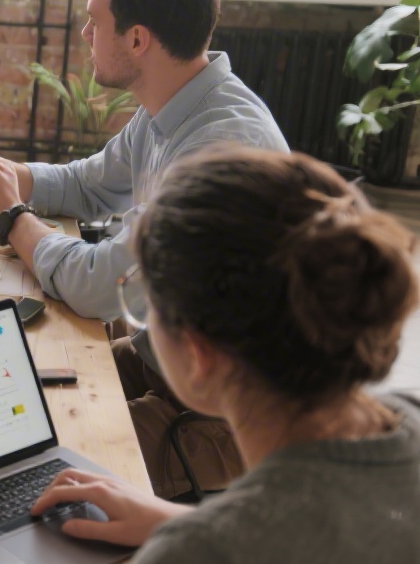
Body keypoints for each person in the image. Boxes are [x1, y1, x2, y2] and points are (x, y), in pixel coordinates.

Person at [28, 146, 420, 562]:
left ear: (200, 356)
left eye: (145, 298)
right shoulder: (406, 412)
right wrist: (178, 523)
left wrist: (193, 537)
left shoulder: (200, 551)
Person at [0, 0, 288, 320]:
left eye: (95, 22)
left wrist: (11, 217)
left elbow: (102, 286)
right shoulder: (172, 104)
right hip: (164, 356)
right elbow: (86, 185)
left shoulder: (221, 154)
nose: (85, 34)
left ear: (136, 40)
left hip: (205, 390)